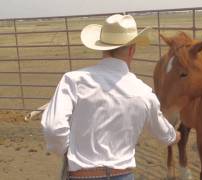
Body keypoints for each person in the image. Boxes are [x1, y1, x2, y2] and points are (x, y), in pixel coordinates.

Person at [41, 14, 180, 180]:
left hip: (82, 175)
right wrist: (175, 136)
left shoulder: (73, 80)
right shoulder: (144, 93)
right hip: (123, 175)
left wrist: (68, 150)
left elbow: (53, 128)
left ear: (103, 48)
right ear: (131, 50)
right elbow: (164, 134)